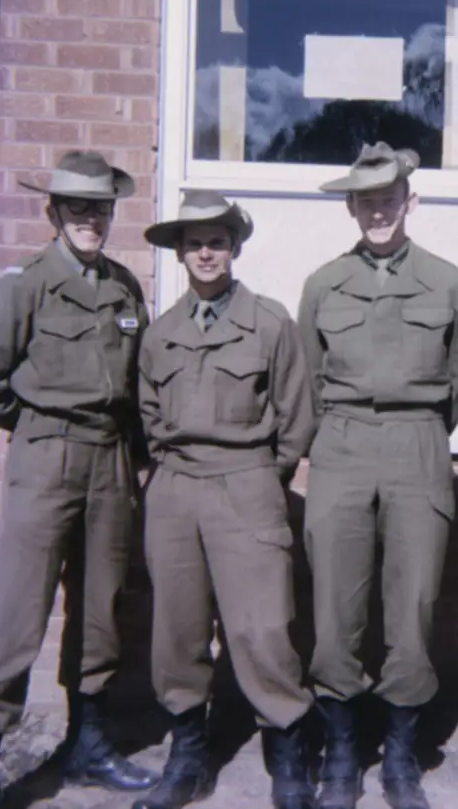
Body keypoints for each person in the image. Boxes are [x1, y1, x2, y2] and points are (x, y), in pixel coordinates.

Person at [0, 150, 157, 809]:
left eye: (101, 206)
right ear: (54, 212)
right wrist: (39, 419)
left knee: (100, 610)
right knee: (18, 613)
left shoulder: (125, 287)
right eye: (78, 206)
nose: (91, 219)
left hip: (110, 459)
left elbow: (136, 385)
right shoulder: (25, 283)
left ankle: (89, 746)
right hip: (46, 456)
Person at [297, 142, 458, 809]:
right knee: (335, 605)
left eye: (389, 197)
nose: (378, 210)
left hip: (417, 444)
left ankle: (401, 753)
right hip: (341, 444)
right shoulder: (322, 284)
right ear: (350, 205)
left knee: (415, 604)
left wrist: (420, 428)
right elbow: (306, 377)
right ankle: (342, 751)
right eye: (366, 199)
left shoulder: (447, 281)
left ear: (411, 200)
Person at [135, 190, 316, 809]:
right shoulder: (160, 334)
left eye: (216, 241)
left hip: (247, 483)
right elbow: (149, 417)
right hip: (177, 489)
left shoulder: (269, 322)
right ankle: (187, 757)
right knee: (177, 631)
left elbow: (296, 416)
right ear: (180, 253)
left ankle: (288, 758)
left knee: (262, 629)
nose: (205, 253)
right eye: (194, 243)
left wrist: (265, 476)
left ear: (234, 248)